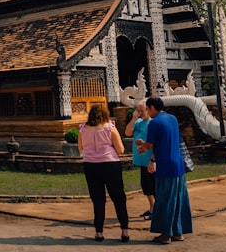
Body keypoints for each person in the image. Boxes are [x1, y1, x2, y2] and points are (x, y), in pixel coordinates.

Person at [135, 96, 192, 244]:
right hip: (178, 164)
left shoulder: (155, 123)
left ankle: (166, 234)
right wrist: (146, 144)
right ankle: (178, 232)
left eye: (147, 109)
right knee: (179, 199)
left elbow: (151, 144)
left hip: (166, 166)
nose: (147, 111)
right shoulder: (172, 118)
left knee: (165, 200)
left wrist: (143, 146)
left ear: (152, 107)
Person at [77, 104, 130, 242]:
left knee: (98, 199)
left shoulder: (83, 129)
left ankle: (99, 231)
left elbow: (81, 148)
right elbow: (120, 149)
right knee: (118, 197)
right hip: (109, 163)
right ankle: (124, 230)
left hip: (90, 165)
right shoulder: (109, 128)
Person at [127, 101, 155, 220]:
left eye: (142, 110)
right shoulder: (138, 122)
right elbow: (127, 132)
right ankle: (152, 207)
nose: (140, 113)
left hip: (151, 161)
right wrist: (134, 119)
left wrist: (153, 160)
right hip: (142, 161)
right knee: (146, 186)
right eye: (138, 111)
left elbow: (156, 143)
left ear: (148, 109)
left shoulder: (153, 123)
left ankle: (156, 211)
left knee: (154, 187)